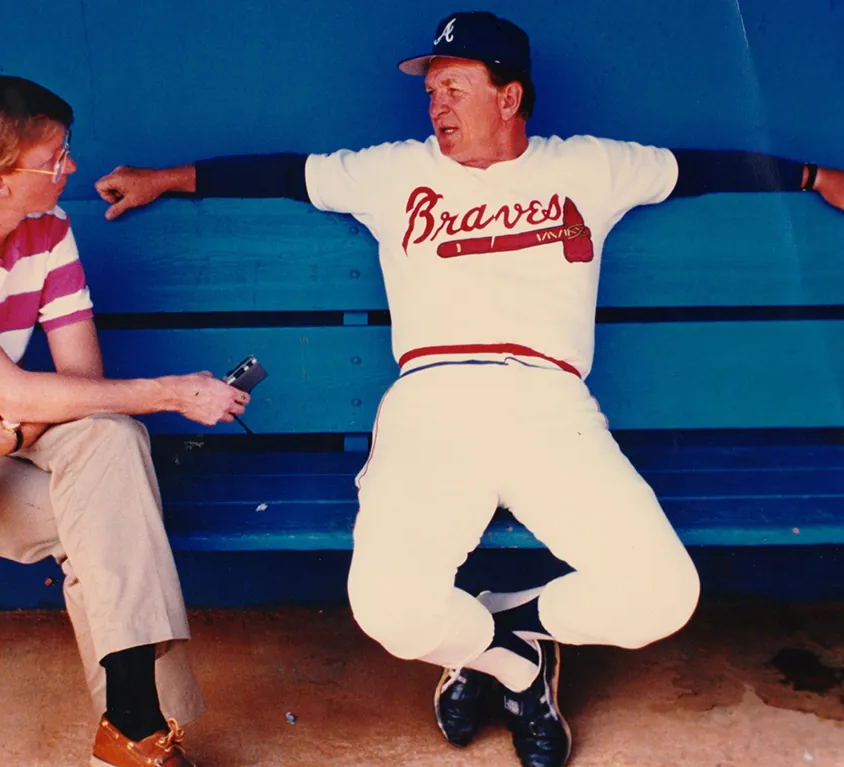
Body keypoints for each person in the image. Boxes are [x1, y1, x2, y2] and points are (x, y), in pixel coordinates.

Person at [94, 11, 844, 766]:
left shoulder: (590, 167)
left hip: (553, 407)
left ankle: (503, 618)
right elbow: (285, 172)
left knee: (663, 595)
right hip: (433, 404)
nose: (436, 105)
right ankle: (519, 665)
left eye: (454, 87)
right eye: (432, 91)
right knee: (388, 608)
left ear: (510, 97)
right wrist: (162, 178)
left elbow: (700, 168)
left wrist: (817, 177)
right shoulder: (394, 172)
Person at [0, 75, 252, 767]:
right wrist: (171, 390)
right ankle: (137, 732)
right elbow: (14, 385)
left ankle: (131, 727)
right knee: (103, 512)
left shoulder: (50, 227)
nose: (72, 166)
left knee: (111, 439)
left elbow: (82, 385)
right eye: (56, 156)